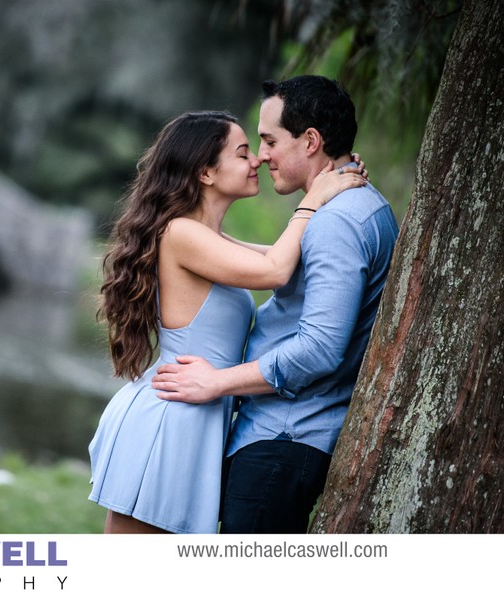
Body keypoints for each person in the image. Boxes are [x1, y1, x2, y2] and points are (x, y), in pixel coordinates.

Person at [88, 109, 367, 534]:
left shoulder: (209, 239)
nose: (256, 160)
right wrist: (315, 198)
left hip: (197, 413)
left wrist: (336, 180)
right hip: (170, 417)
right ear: (205, 172)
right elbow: (274, 270)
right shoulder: (181, 234)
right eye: (242, 153)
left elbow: (287, 261)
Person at [151, 75, 400, 533]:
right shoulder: (364, 207)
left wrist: (218, 382)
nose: (261, 156)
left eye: (268, 141)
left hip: (286, 437)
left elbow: (320, 348)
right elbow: (267, 259)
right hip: (282, 433)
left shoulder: (335, 223)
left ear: (310, 141)